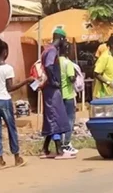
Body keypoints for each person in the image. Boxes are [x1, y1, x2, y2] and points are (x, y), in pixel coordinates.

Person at [0, 37, 33, 168]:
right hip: (4, 101)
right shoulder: (8, 69)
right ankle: (17, 158)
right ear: (5, 52)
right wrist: (26, 81)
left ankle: (0, 161)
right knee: (11, 129)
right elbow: (10, 88)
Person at [40, 28, 73, 159]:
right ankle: (59, 150)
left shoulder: (46, 49)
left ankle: (45, 149)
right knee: (56, 116)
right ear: (62, 39)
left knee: (50, 117)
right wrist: (54, 81)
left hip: (48, 89)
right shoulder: (52, 51)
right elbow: (48, 66)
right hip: (51, 89)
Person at [58, 42, 78, 155]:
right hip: (69, 95)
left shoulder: (56, 62)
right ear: (67, 51)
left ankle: (61, 142)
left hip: (59, 95)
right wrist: (75, 76)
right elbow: (71, 78)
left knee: (61, 120)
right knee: (70, 120)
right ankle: (66, 143)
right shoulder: (68, 63)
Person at [93, 35, 113, 99]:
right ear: (112, 45)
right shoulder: (104, 57)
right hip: (102, 94)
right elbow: (96, 73)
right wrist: (108, 83)